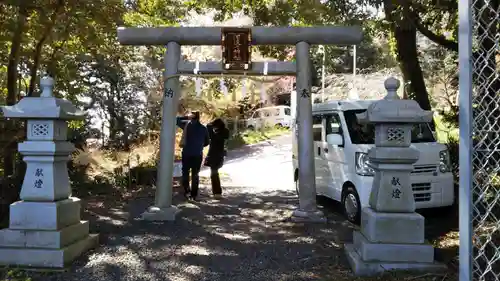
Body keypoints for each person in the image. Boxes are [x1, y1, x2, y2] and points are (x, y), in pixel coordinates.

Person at [176, 111, 209, 200]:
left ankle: (187, 191)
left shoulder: (187, 126)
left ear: (191, 117)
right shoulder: (204, 128)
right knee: (195, 174)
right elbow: (207, 142)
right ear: (199, 118)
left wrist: (186, 117)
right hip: (198, 154)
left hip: (186, 153)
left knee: (185, 172)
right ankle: (194, 195)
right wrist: (199, 145)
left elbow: (177, 120)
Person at [205, 118, 229, 198]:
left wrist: (210, 124)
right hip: (220, 156)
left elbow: (209, 129)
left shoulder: (216, 135)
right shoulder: (225, 132)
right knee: (214, 173)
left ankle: (217, 192)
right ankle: (217, 192)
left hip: (214, 156)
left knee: (214, 174)